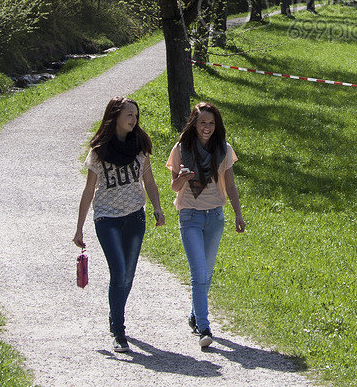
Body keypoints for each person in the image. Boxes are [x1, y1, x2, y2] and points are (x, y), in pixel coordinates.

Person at [74, 96, 165, 353]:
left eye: (135, 115)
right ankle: (119, 331)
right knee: (119, 272)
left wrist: (157, 208)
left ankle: (115, 315)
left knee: (128, 276)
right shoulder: (99, 151)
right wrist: (79, 228)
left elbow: (149, 181)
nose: (133, 119)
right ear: (115, 116)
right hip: (107, 218)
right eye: (128, 115)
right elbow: (89, 190)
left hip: (135, 217)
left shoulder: (140, 146)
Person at [166, 101, 245, 349]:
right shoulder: (181, 149)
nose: (206, 128)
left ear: (216, 125)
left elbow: (230, 185)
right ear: (194, 124)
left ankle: (194, 314)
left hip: (215, 217)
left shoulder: (223, 150)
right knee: (198, 273)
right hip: (189, 215)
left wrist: (238, 214)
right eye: (202, 123)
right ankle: (204, 326)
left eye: (211, 123)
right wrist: (182, 178)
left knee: (207, 273)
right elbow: (174, 187)